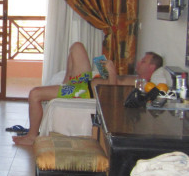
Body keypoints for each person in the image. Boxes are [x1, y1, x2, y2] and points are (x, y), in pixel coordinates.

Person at [12, 44, 168, 147]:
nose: (139, 62)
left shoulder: (141, 85)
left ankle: (32, 136)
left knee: (35, 94)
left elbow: (112, 95)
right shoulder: (135, 78)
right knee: (76, 47)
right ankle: (66, 82)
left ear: (152, 67)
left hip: (84, 91)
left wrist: (112, 72)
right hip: (85, 83)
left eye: (143, 61)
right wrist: (106, 73)